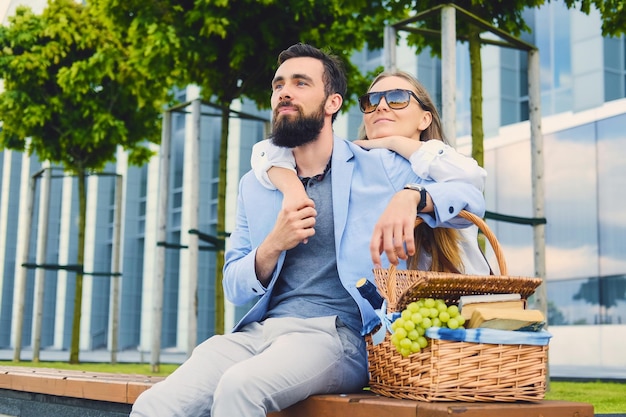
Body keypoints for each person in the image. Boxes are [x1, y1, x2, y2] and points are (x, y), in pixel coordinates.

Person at [130, 43, 485, 417]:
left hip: (336, 336)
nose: (284, 91)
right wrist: (272, 246)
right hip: (259, 333)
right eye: (278, 84)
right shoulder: (256, 183)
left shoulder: (379, 166)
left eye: (301, 83)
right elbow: (233, 285)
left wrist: (412, 196)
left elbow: (468, 197)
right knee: (155, 405)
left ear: (332, 103)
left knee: (241, 388)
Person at [252, 70, 490, 274]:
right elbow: (266, 151)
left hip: (467, 304)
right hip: (394, 315)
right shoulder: (352, 164)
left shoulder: (440, 163)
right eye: (372, 101)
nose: (382, 106)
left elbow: (472, 179)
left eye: (398, 98)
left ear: (425, 119)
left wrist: (396, 149)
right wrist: (292, 189)